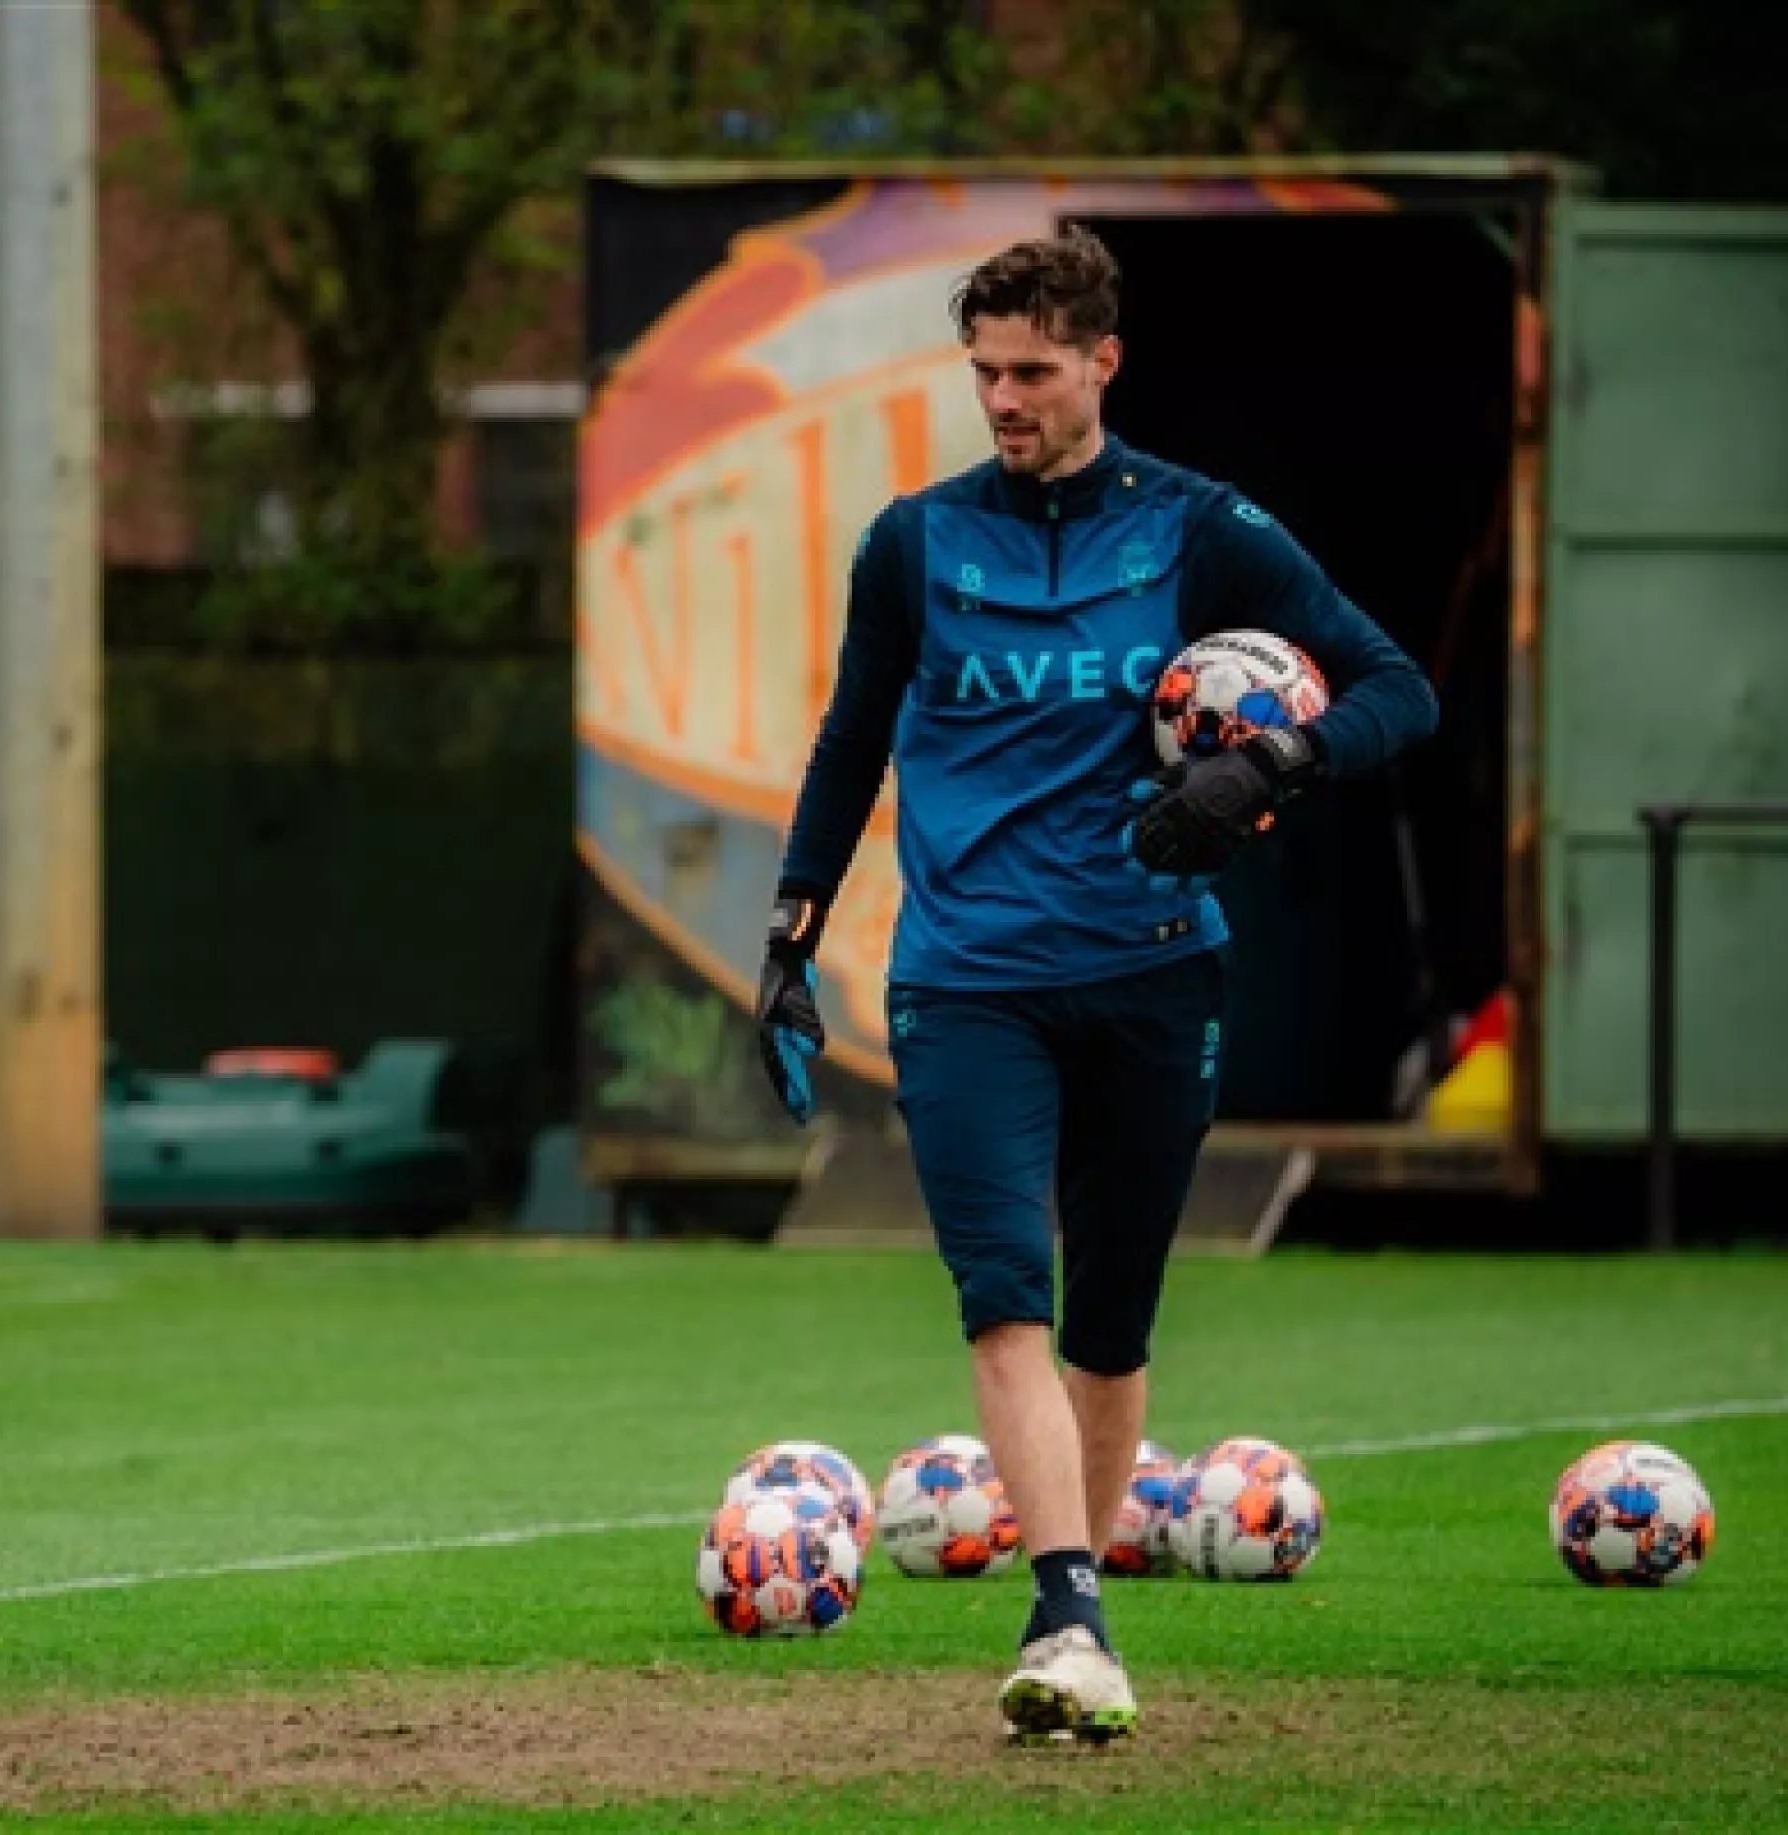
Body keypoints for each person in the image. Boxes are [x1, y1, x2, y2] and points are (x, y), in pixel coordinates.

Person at [753, 228, 1437, 1743]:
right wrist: (791, 936)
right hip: (967, 981)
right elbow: (849, 744)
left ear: (1100, 364)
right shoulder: (915, 544)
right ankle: (1071, 1608)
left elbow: (1400, 687)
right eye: (984, 371)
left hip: (1151, 973)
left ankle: (1071, 1616)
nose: (1002, 397)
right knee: (1005, 1297)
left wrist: (1268, 761)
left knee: (1110, 1332)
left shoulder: (1200, 529)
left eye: (1032, 372)